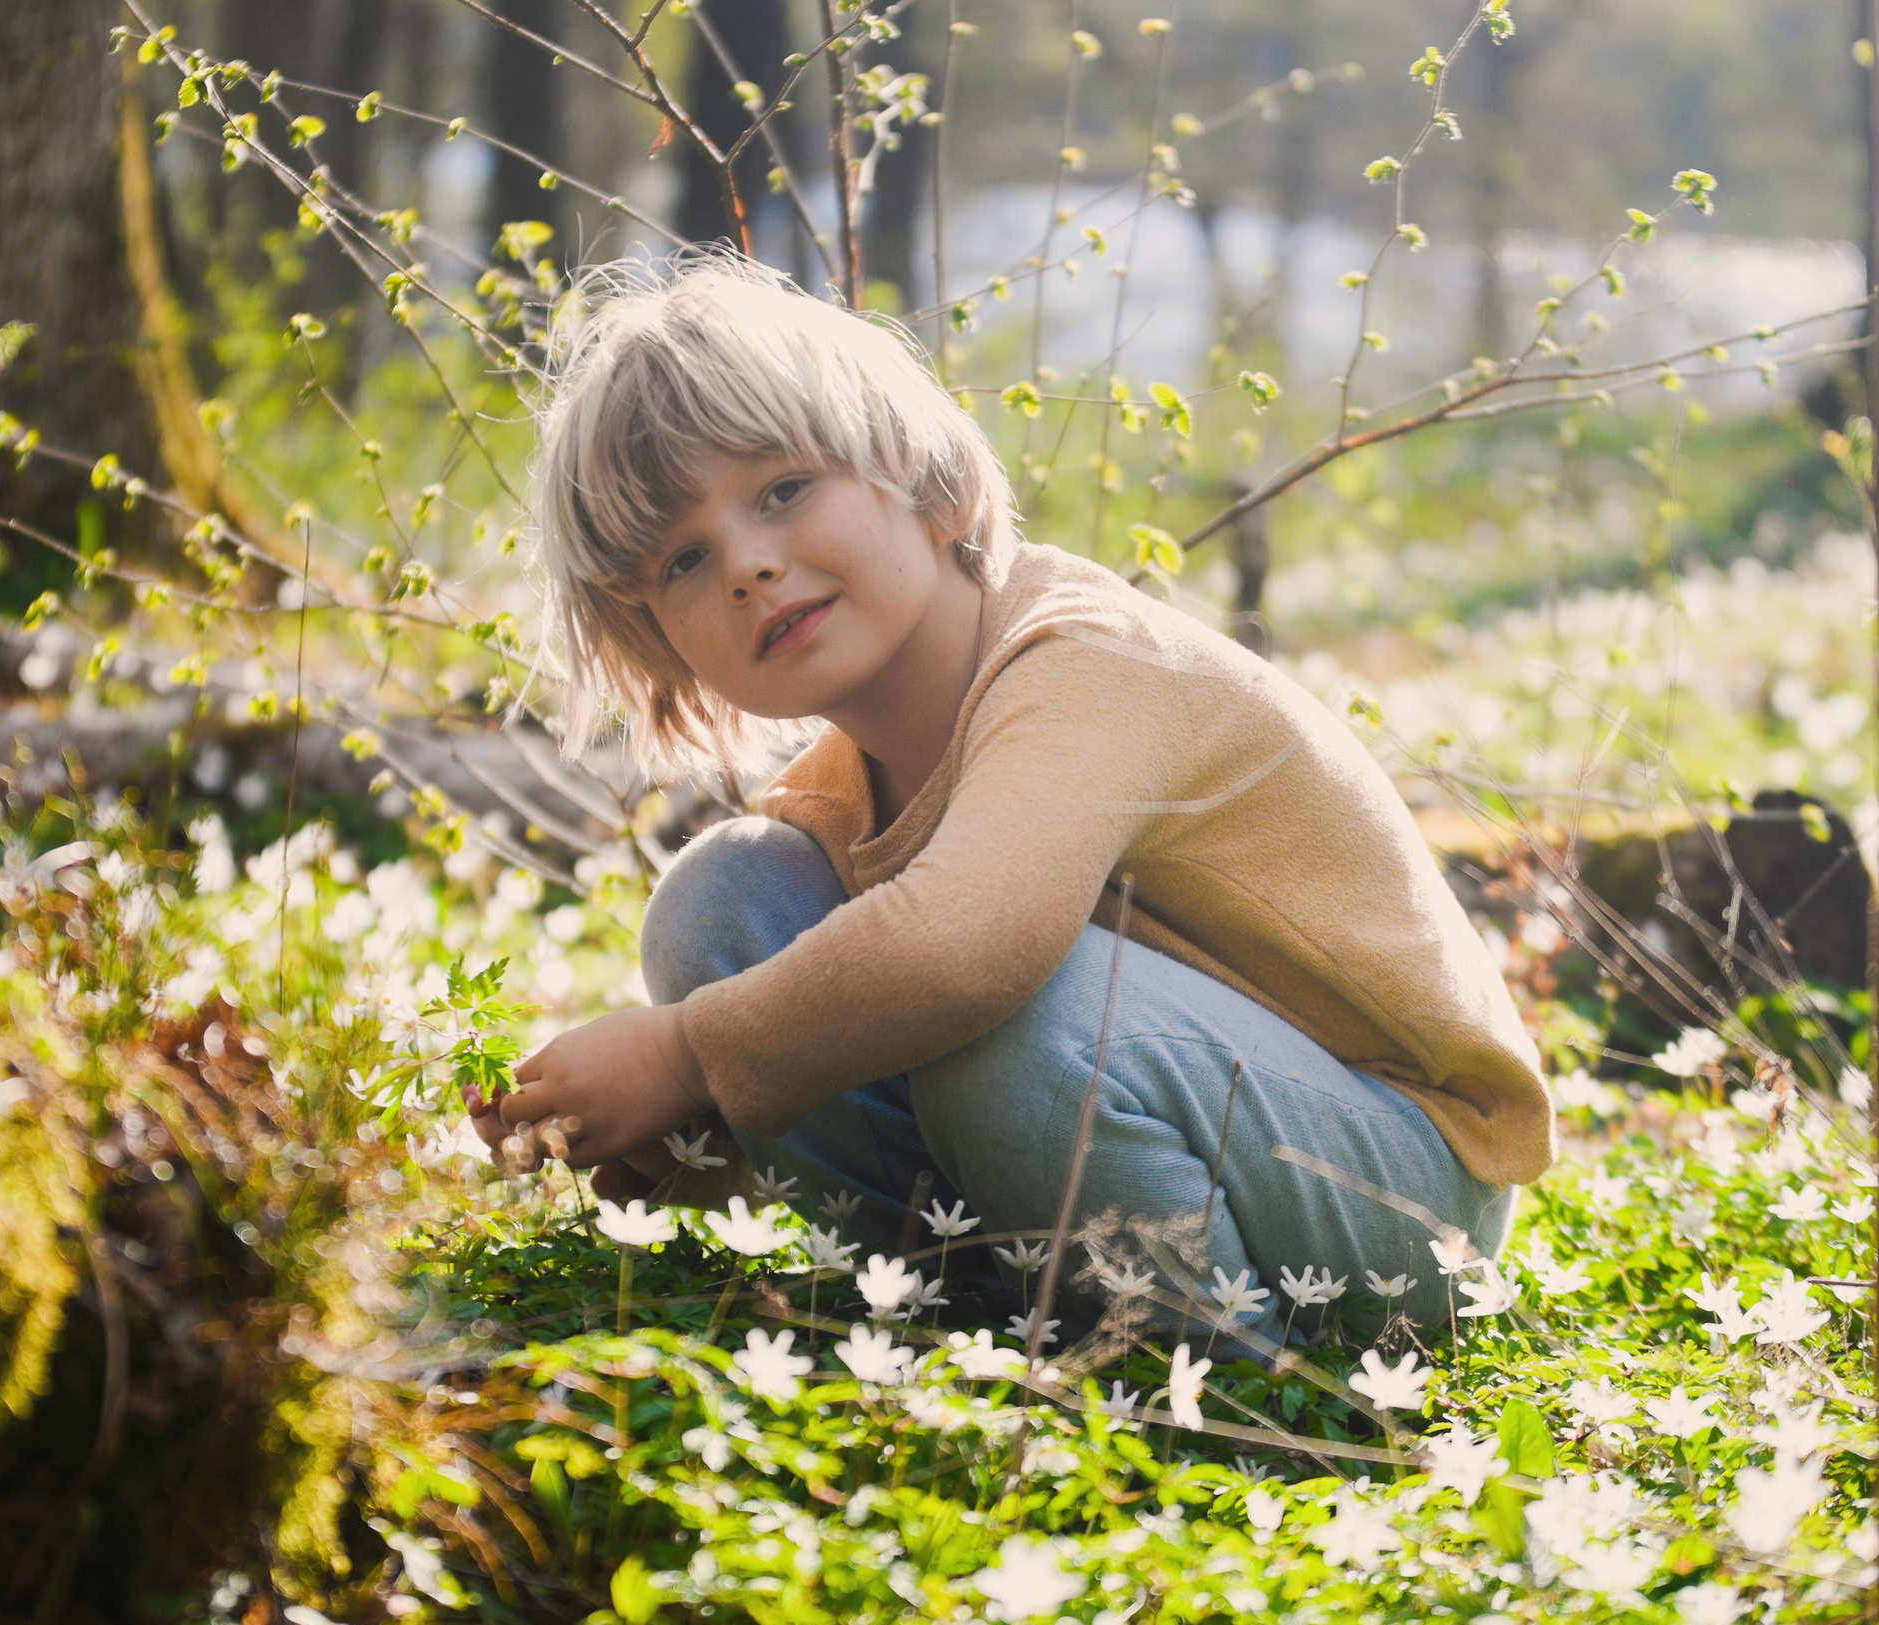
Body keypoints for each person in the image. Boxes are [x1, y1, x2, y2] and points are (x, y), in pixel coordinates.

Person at [463, 253, 1550, 1340]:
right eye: (683, 563)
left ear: (919, 479)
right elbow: (853, 1025)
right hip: (1192, 1130)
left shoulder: (1088, 661)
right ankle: (949, 1308)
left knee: (1008, 1019)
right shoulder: (840, 804)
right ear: (663, 647)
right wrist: (691, 1131)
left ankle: (1221, 1390)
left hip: (1402, 1192)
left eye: (785, 489)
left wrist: (682, 1054)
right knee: (726, 899)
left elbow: (964, 950)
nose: (746, 563)